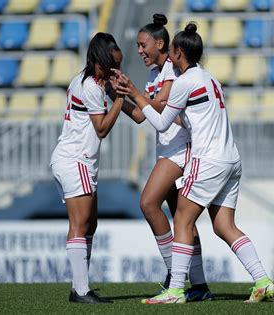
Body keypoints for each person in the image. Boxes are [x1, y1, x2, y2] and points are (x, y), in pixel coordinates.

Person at [113, 23, 274, 304]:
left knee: (182, 220)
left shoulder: (183, 82)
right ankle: (262, 280)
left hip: (208, 160)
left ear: (177, 52)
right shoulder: (209, 78)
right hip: (231, 159)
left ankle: (176, 290)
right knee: (224, 225)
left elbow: (162, 123)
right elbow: (183, 117)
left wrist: (135, 93)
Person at [111, 13, 211, 301]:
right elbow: (143, 114)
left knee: (148, 203)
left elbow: (162, 106)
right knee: (184, 221)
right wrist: (115, 93)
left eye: (143, 45)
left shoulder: (174, 69)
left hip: (180, 149)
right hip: (167, 150)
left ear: (160, 43)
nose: (139, 50)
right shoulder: (155, 74)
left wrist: (131, 90)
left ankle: (173, 275)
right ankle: (200, 284)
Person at [50, 32, 126, 304]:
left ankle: (80, 286)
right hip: (75, 160)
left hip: (76, 160)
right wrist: (119, 99)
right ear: (98, 60)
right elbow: (102, 128)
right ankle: (80, 291)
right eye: (110, 65)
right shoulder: (92, 87)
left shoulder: (86, 80)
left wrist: (117, 92)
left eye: (117, 65)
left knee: (89, 224)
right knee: (80, 225)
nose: (113, 71)